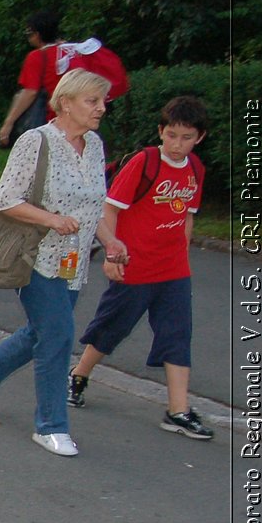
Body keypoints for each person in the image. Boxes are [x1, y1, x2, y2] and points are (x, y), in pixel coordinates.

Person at [0, 68, 121, 458]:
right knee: (57, 336)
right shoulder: (36, 142)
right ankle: (50, 425)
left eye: (103, 101)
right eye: (93, 101)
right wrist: (52, 219)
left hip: (72, 262)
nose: (101, 108)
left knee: (44, 331)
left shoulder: (95, 145)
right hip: (34, 257)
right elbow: (5, 200)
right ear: (65, 103)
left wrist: (110, 239)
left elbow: (93, 205)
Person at [68, 96, 212, 440]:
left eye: (187, 137)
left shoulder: (195, 170)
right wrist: (113, 256)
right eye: (172, 135)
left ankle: (177, 410)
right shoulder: (145, 163)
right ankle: (78, 375)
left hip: (173, 269)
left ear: (200, 138)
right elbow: (110, 211)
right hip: (134, 264)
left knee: (177, 334)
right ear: (161, 131)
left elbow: (187, 218)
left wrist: (183, 256)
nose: (178, 144)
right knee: (112, 328)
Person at [0, 10, 65, 147]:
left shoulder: (37, 57)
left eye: (29, 33)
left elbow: (30, 92)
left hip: (50, 118)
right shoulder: (69, 52)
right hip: (74, 118)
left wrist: (8, 123)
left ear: (38, 35)